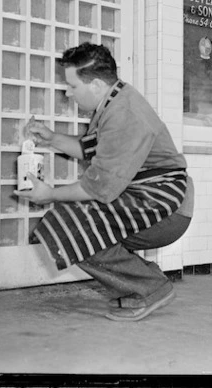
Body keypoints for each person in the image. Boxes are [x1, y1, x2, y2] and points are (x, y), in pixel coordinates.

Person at [14, 42, 194, 320]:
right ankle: (146, 278)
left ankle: (150, 287)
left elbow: (97, 188)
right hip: (152, 196)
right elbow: (91, 149)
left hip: (166, 206)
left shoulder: (124, 114)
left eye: (72, 86)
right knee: (72, 222)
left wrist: (49, 194)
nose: (67, 92)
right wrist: (52, 138)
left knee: (68, 227)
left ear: (96, 85)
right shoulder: (116, 99)